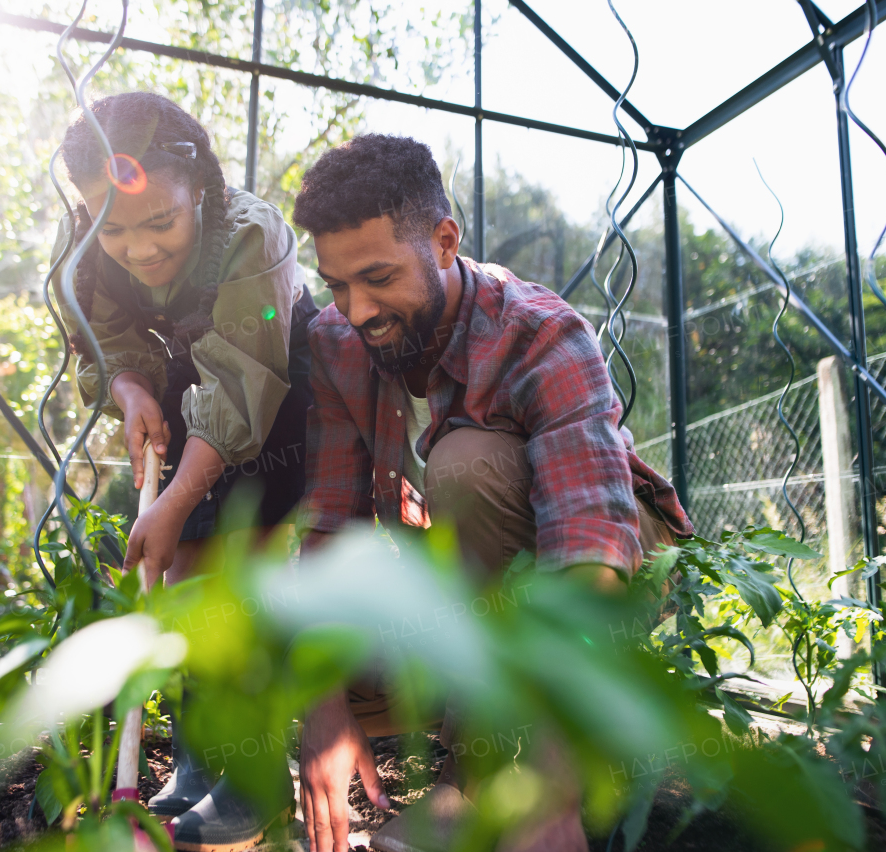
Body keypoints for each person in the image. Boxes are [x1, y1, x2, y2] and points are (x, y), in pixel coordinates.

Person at [290, 134, 694, 852]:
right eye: (338, 285)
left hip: (602, 576)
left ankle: (485, 780)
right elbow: (331, 528)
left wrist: (553, 785)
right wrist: (321, 707)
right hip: (467, 593)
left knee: (465, 465)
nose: (356, 309)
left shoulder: (540, 334)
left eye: (378, 277)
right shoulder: (335, 343)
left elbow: (590, 549)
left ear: (445, 242)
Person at [52, 91, 316, 852]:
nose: (137, 249)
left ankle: (258, 778)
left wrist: (172, 502)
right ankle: (205, 759)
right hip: (187, 375)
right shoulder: (84, 244)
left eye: (159, 222)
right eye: (114, 229)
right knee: (182, 586)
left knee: (237, 580)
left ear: (199, 189)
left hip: (280, 382)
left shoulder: (251, 238)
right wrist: (132, 389)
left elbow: (242, 381)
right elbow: (106, 343)